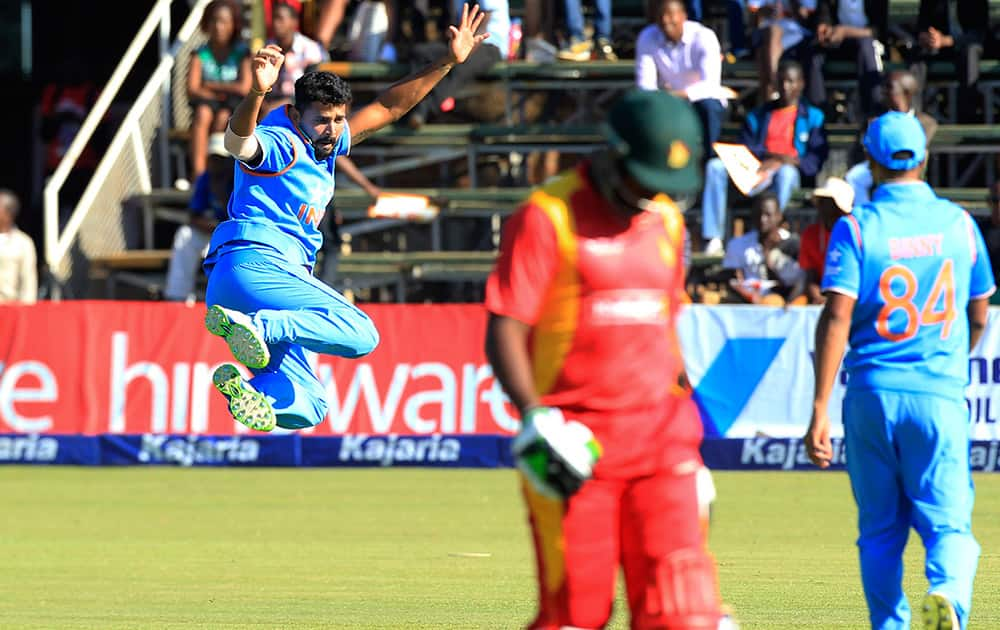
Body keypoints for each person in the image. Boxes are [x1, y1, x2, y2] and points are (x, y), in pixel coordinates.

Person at [484, 89, 725, 629]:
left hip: (664, 446)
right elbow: (504, 327)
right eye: (644, 181)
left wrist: (692, 453)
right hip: (575, 449)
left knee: (684, 613)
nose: (652, 197)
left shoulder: (666, 221)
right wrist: (535, 419)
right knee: (576, 614)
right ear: (613, 155)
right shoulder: (547, 215)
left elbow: (665, 334)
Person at [202, 4, 489, 432]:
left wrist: (447, 61)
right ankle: (258, 328)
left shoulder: (327, 143)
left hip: (246, 288)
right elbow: (237, 144)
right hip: (258, 268)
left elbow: (390, 107)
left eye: (338, 120)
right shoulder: (283, 140)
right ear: (298, 115)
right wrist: (257, 94)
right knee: (361, 333)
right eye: (323, 121)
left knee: (311, 405)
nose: (333, 129)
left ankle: (252, 392)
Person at [806, 111, 994, 630]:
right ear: (925, 159)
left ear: (871, 160)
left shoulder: (856, 228)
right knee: (949, 525)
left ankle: (890, 625)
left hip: (871, 396)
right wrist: (952, 359)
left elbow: (837, 317)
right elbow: (979, 312)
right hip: (936, 394)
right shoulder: (959, 223)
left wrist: (820, 408)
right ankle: (949, 598)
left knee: (881, 533)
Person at [700, 59, 827, 255]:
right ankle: (713, 238)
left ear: (801, 83)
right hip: (755, 170)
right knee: (715, 167)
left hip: (787, 174)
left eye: (791, 82)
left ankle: (769, 232)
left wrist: (785, 161)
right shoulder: (759, 114)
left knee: (786, 173)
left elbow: (814, 161)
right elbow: (747, 146)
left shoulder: (813, 117)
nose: (786, 87)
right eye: (782, 81)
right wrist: (768, 159)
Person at [636, 0, 728, 161]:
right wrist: (666, 99)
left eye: (671, 15)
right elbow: (645, 86)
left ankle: (709, 163)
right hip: (667, 102)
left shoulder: (704, 36)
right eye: (661, 15)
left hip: (700, 100)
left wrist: (675, 95)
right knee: (644, 108)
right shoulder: (647, 37)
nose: (665, 20)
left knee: (709, 107)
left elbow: (710, 85)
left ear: (683, 16)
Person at [844, 69, 937, 206]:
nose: (883, 92)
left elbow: (916, 151)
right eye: (883, 87)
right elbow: (860, 149)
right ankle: (865, 214)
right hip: (878, 165)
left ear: (906, 93)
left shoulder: (925, 123)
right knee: (854, 177)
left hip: (909, 168)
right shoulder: (875, 119)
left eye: (889, 87)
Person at [164, 134, 234, 302]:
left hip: (233, 234)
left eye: (221, 159)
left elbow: (238, 217)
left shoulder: (237, 180)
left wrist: (221, 193)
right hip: (212, 231)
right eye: (213, 158)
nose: (217, 163)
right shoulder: (205, 178)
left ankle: (228, 301)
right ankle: (177, 296)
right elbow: (193, 216)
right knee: (185, 235)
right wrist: (211, 226)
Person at [186, 0, 250, 181]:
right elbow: (192, 89)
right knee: (202, 114)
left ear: (233, 25)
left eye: (224, 21)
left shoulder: (242, 52)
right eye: (214, 21)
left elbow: (244, 87)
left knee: (223, 117)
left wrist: (211, 85)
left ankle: (216, 176)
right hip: (208, 103)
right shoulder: (200, 53)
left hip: (233, 106)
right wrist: (221, 91)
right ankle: (199, 175)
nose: (218, 27)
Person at [721, 191, 805, 305]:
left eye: (768, 215)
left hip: (782, 301)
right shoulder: (738, 244)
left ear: (779, 216)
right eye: (758, 214)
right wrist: (751, 296)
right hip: (746, 301)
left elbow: (800, 281)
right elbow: (731, 280)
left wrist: (768, 254)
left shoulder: (792, 244)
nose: (762, 219)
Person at [810, 0, 887, 118]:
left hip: (865, 42)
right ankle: (818, 114)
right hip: (837, 42)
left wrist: (845, 31)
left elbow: (878, 30)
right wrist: (823, 26)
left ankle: (872, 113)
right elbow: (823, 16)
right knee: (813, 54)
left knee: (866, 48)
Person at [262, 1, 329, 116]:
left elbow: (313, 90)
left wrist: (287, 103)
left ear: (294, 22)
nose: (275, 23)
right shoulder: (268, 48)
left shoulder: (310, 49)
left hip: (300, 104)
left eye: (280, 19)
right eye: (273, 18)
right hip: (269, 100)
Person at [798, 176, 853, 304]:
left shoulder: (855, 234)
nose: (825, 207)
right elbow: (810, 277)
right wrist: (818, 296)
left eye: (831, 203)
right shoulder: (810, 234)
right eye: (822, 202)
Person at [0, 190, 37, 304]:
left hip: (9, 309)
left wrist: (25, 312)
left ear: (8, 214)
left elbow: (28, 281)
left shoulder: (23, 243)